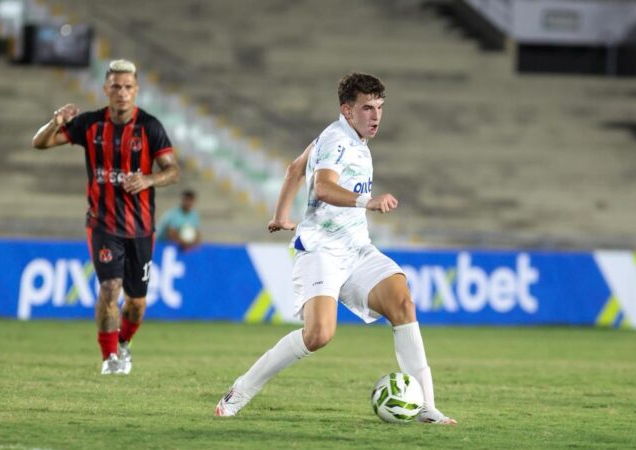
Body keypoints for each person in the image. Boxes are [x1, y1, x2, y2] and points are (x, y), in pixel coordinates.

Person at [214, 72, 456, 424]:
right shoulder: (335, 140)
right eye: (367, 108)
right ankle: (240, 391)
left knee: (403, 303)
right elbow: (323, 187)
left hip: (356, 248)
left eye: (380, 107)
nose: (375, 116)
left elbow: (295, 169)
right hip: (322, 251)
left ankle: (424, 407)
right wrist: (367, 202)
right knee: (318, 335)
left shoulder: (348, 139)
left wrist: (281, 216)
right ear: (347, 110)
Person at [31, 59, 180, 375]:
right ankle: (109, 358)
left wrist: (148, 179)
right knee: (110, 288)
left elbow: (172, 171)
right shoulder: (90, 124)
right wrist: (56, 122)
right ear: (105, 89)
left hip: (141, 227)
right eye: (116, 87)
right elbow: (39, 143)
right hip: (103, 223)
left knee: (136, 304)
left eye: (128, 87)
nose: (122, 93)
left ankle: (123, 343)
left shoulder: (150, 127)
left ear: (136, 90)